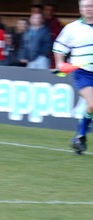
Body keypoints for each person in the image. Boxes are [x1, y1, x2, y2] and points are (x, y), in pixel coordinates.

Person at [52, 0, 93, 154]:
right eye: (85, 6)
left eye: (91, 6)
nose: (88, 9)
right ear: (80, 9)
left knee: (90, 107)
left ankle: (80, 136)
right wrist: (60, 63)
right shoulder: (72, 28)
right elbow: (59, 47)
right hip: (83, 72)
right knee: (92, 104)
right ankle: (81, 135)